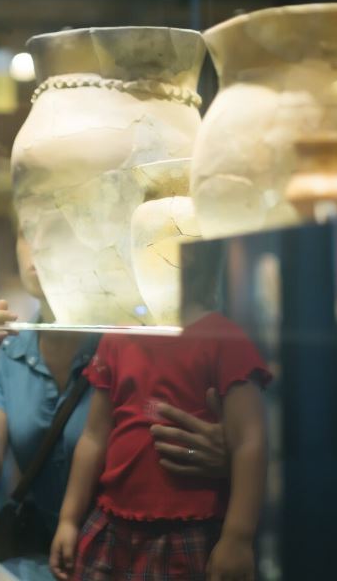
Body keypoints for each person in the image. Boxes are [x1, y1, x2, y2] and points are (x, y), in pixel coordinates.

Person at [0, 225, 230, 580]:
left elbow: (212, 440)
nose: (37, 244)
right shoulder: (9, 352)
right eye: (26, 230)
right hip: (48, 557)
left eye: (57, 227)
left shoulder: (136, 341)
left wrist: (225, 457)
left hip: (131, 554)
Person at [49, 247, 272, 581]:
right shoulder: (120, 335)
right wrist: (68, 519)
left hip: (189, 530)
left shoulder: (223, 338)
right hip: (112, 523)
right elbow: (94, 436)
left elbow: (250, 441)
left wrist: (237, 537)